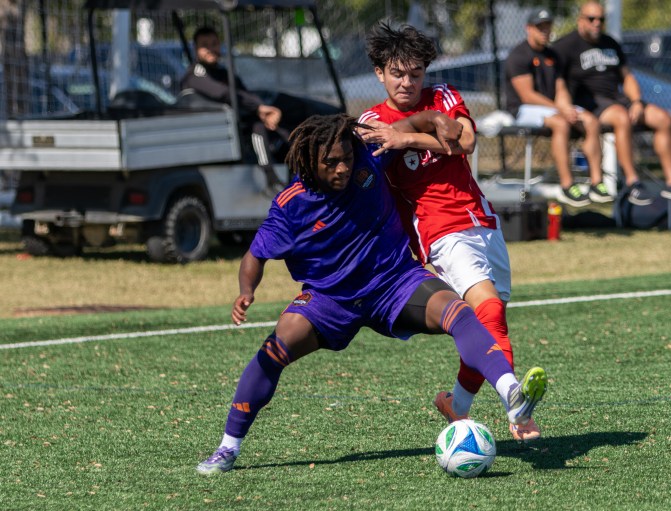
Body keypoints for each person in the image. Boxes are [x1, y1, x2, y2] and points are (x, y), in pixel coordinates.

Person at [195, 113, 548, 474]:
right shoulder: (291, 205)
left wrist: (435, 118)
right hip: (329, 300)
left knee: (459, 312)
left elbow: (410, 126)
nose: (344, 168)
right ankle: (227, 448)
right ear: (309, 162)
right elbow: (255, 255)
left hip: (394, 282)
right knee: (274, 351)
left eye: (347, 157)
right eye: (331, 162)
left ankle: (511, 394)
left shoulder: (369, 154)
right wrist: (245, 291)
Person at [358, 22, 541, 442]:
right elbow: (375, 146)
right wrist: (426, 134)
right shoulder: (372, 121)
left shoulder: (444, 96)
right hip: (439, 232)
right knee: (489, 311)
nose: (407, 82)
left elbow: (468, 141)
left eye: (415, 73)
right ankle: (517, 407)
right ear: (379, 73)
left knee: (491, 324)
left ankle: (455, 405)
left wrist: (408, 137)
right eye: (397, 73)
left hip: (482, 221)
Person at [552, 2, 671, 204]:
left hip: (616, 98)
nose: (597, 24)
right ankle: (632, 182)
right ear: (580, 20)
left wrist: (636, 101)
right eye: (591, 19)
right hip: (589, 103)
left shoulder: (610, 43)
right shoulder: (564, 47)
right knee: (621, 116)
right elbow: (558, 85)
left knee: (663, 119)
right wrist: (565, 107)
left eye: (601, 19)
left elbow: (627, 77)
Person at [505, 7, 611, 207]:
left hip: (552, 108)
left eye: (547, 27)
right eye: (539, 27)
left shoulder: (553, 55)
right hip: (522, 109)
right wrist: (561, 110)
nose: (544, 31)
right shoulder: (518, 55)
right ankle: (567, 185)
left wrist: (567, 107)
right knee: (561, 123)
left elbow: (560, 87)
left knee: (590, 120)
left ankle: (597, 182)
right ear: (528, 28)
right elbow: (527, 95)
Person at [181, 26, 282, 182]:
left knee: (278, 128)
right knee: (256, 124)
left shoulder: (223, 72)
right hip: (211, 132)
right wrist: (259, 108)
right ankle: (269, 176)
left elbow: (244, 93)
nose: (210, 49)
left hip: (229, 127)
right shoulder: (194, 75)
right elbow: (223, 93)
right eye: (205, 45)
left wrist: (261, 108)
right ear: (195, 49)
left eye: (214, 43)